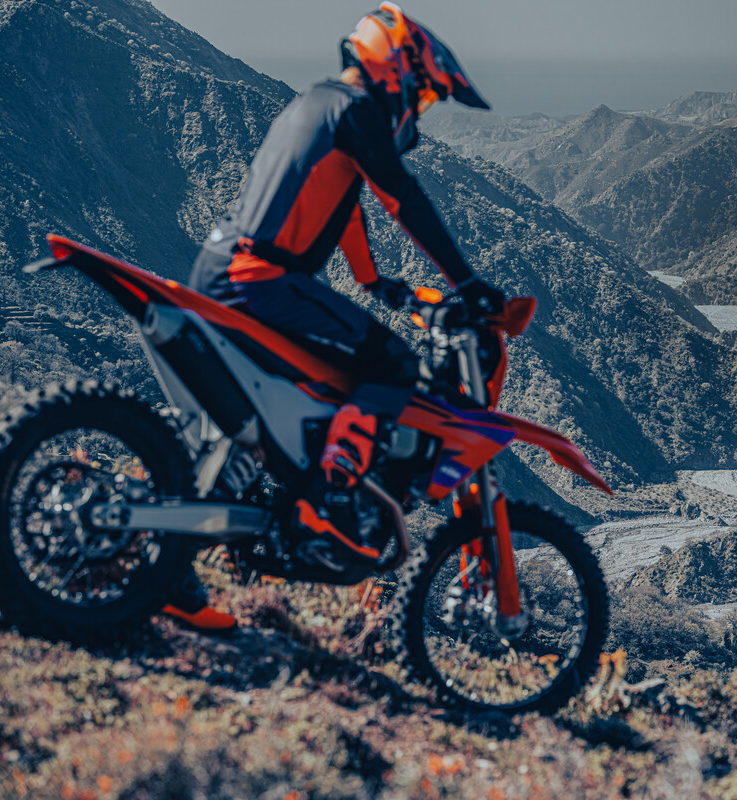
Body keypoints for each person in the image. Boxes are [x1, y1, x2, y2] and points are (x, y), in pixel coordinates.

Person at [162, 3, 500, 632]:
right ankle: (331, 496)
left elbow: (345, 206)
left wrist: (375, 283)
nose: (419, 109)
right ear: (396, 68)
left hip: (220, 266)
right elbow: (401, 198)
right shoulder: (356, 109)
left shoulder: (316, 103)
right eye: (423, 94)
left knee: (284, 405)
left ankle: (172, 572)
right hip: (259, 280)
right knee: (393, 365)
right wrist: (468, 283)